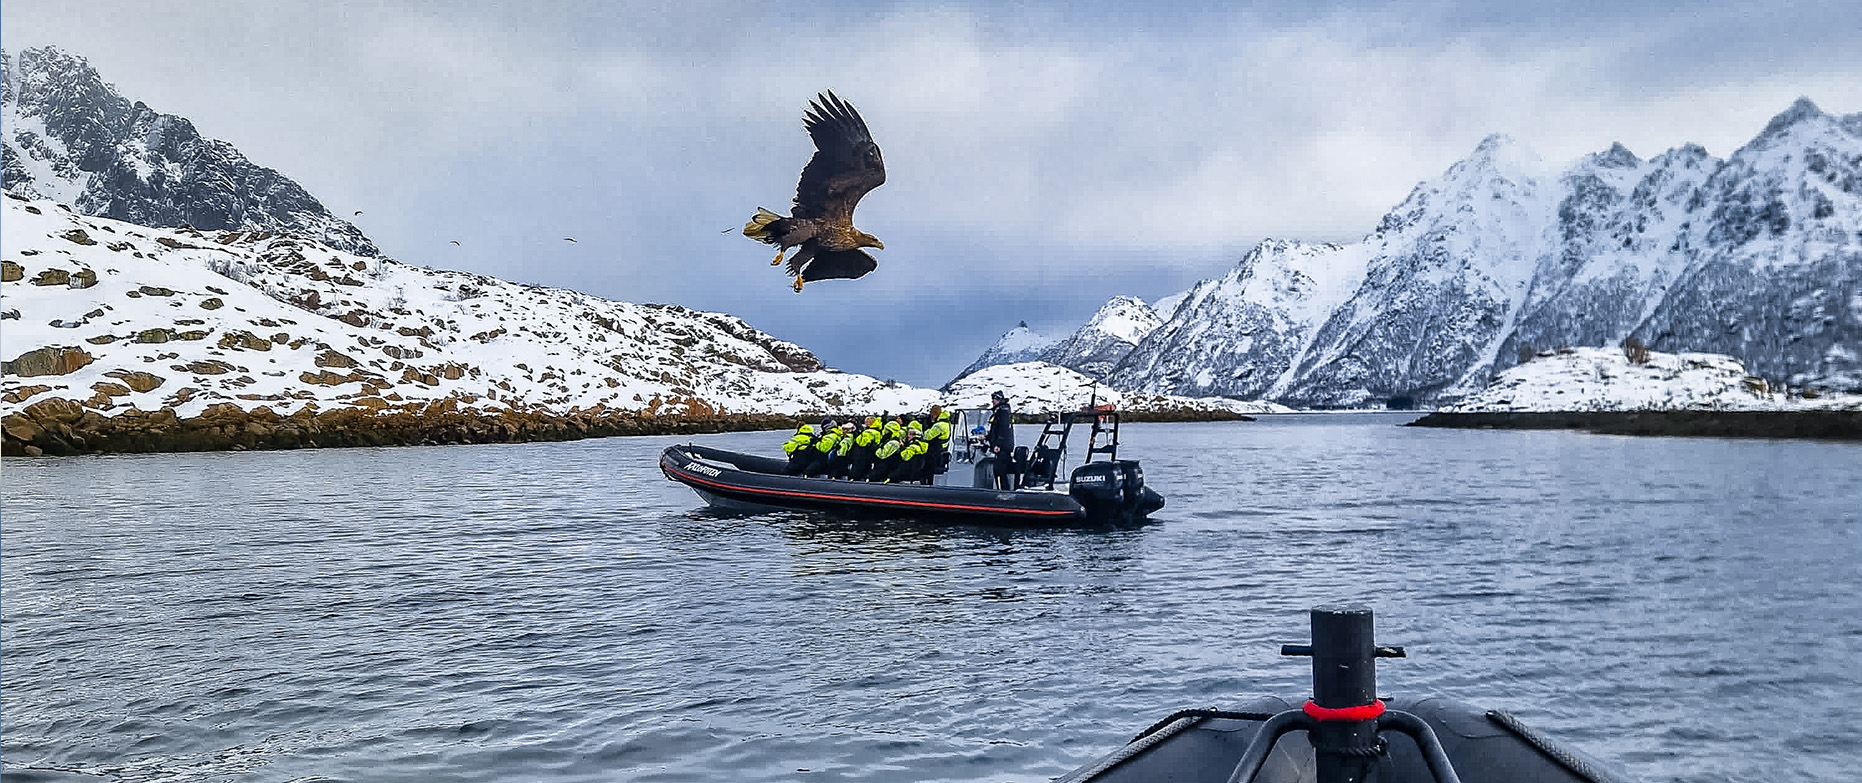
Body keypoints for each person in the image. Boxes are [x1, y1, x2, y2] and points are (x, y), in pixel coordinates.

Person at [985, 390, 1015, 489]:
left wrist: (998, 444)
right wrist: (986, 437)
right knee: (999, 470)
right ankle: (1001, 489)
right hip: (1002, 446)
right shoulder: (999, 411)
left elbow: (1004, 430)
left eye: (995, 399)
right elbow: (996, 430)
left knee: (999, 471)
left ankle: (1002, 491)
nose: (993, 401)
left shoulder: (1003, 412)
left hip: (1002, 448)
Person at [921, 407, 953, 485]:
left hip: (935, 452)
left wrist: (926, 428)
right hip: (941, 450)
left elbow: (927, 437)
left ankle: (927, 485)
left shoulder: (939, 425)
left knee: (927, 470)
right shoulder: (946, 423)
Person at [848, 416, 885, 481]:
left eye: (868, 422)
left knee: (857, 471)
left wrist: (856, 434)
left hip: (863, 454)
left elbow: (862, 442)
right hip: (870, 455)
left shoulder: (869, 432)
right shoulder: (877, 431)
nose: (866, 423)